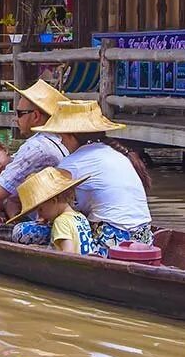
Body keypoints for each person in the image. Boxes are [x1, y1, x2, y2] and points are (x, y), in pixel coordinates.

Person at [32, 100, 154, 249]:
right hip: (145, 236)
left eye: (61, 137)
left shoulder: (72, 163)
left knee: (24, 231)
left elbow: (65, 209)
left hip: (112, 239)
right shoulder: (117, 153)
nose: (61, 142)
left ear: (70, 136)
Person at [0, 79, 71, 222]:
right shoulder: (58, 139)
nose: (15, 119)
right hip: (53, 213)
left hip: (44, 221)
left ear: (36, 116)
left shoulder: (36, 147)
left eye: (19, 113)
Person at [9, 167, 105, 257]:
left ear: (54, 201)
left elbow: (68, 253)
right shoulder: (80, 217)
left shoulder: (61, 222)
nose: (39, 214)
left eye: (40, 209)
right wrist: (41, 248)